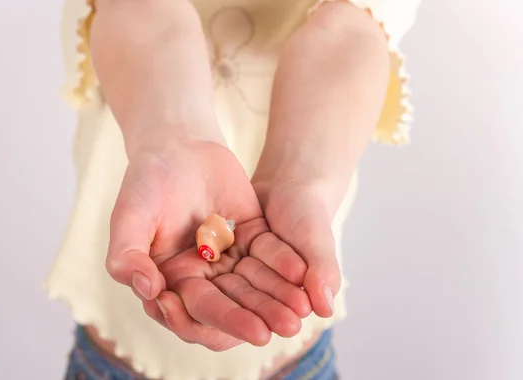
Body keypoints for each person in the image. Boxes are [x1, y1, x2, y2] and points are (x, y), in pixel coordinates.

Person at [46, 0, 421, 379]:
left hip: (293, 357)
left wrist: (300, 178)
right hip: (114, 349)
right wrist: (176, 136)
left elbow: (350, 28)